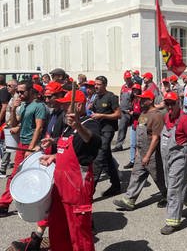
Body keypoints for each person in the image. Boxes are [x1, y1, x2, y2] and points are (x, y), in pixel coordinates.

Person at [39, 90, 101, 251]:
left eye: (67, 105)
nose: (64, 108)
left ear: (78, 105)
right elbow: (67, 149)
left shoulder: (89, 124)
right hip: (60, 190)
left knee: (79, 235)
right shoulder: (67, 127)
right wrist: (53, 155)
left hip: (76, 191)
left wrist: (78, 125)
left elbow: (92, 140)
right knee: (58, 231)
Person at [10, 81, 66, 251]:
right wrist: (41, 148)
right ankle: (38, 237)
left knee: (55, 202)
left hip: (61, 163)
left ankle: (42, 237)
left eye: (50, 97)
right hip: (51, 159)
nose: (47, 100)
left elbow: (68, 141)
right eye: (46, 96)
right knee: (51, 202)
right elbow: (51, 136)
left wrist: (53, 154)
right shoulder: (54, 113)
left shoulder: (64, 115)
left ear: (60, 96)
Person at [113, 90, 167, 211]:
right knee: (136, 174)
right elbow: (140, 132)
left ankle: (168, 195)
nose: (141, 101)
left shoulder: (157, 115)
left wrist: (148, 155)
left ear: (151, 100)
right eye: (140, 99)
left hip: (152, 153)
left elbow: (155, 138)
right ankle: (129, 200)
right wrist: (138, 150)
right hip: (141, 151)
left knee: (159, 177)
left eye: (143, 99)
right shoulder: (143, 114)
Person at [0, 80, 47, 217]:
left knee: (32, 176)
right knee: (15, 175)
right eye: (17, 92)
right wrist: (13, 109)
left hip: (32, 146)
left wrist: (31, 148)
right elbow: (15, 122)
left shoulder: (39, 106)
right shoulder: (24, 105)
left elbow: (39, 127)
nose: (19, 94)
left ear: (31, 92)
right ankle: (4, 204)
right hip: (23, 144)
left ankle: (7, 204)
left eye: (21, 92)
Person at [160, 92, 187, 235]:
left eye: (172, 103)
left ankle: (173, 222)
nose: (170, 106)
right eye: (167, 103)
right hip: (167, 156)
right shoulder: (166, 117)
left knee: (174, 188)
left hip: (179, 157)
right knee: (171, 185)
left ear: (179, 103)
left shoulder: (184, 120)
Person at [91, 76, 122, 197]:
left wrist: (102, 116)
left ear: (104, 85)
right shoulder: (96, 98)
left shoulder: (111, 97)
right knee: (107, 159)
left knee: (99, 158)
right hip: (98, 130)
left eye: (98, 84)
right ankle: (116, 186)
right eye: (95, 84)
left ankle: (89, 190)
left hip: (108, 130)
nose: (96, 86)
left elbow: (118, 114)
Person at [112, 71, 133, 152]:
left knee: (135, 129)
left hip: (131, 111)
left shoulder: (134, 87)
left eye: (129, 78)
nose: (128, 79)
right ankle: (119, 145)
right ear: (124, 78)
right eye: (127, 78)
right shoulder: (123, 87)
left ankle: (136, 145)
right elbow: (121, 98)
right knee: (121, 128)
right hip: (123, 112)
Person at [0, 79, 17, 178]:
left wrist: (8, 123)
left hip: (11, 125)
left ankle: (2, 169)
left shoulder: (16, 97)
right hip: (8, 124)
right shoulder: (11, 97)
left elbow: (13, 112)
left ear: (15, 86)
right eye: (7, 85)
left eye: (10, 86)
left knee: (7, 147)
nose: (7, 87)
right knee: (6, 146)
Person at [123, 83, 142, 169]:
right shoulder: (133, 99)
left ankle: (140, 161)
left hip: (140, 124)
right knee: (133, 144)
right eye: (134, 90)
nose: (135, 91)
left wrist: (133, 113)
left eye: (136, 90)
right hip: (134, 124)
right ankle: (132, 161)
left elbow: (143, 113)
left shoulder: (141, 100)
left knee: (140, 144)